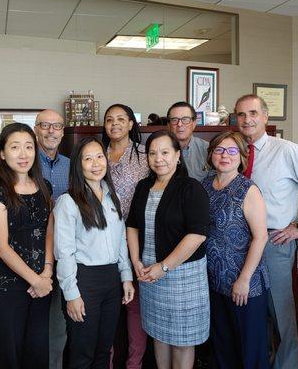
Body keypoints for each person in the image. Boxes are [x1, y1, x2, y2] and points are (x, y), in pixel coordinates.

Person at [235, 94, 298, 369]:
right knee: (252, 313)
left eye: (253, 113)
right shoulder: (234, 150)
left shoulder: (287, 150)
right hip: (238, 244)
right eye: (241, 114)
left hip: (273, 242)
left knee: (280, 312)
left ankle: (287, 365)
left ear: (266, 117)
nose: (247, 119)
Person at [126, 129, 210, 369]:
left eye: (165, 152)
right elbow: (132, 225)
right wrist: (136, 262)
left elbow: (197, 235)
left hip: (183, 276)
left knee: (183, 341)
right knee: (159, 334)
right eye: (152, 153)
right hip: (149, 274)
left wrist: (164, 267)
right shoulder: (143, 187)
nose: (158, 158)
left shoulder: (191, 188)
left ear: (177, 155)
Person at [54, 137, 135, 369]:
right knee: (82, 354)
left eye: (100, 156)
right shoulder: (68, 202)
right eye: (87, 159)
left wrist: (126, 276)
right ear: (78, 166)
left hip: (111, 281)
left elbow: (121, 241)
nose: (96, 163)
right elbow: (64, 252)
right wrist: (71, 294)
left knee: (103, 351)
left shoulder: (112, 196)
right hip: (84, 282)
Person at [0, 122, 54, 368]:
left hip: (42, 283)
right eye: (15, 147)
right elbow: (1, 247)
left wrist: (46, 272)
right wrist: (35, 280)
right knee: (9, 352)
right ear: (2, 154)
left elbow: (49, 231)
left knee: (36, 350)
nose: (23, 154)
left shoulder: (44, 187)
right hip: (9, 286)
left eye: (28, 147)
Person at [201, 131, 270, 369]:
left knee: (250, 350)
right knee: (223, 347)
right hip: (214, 281)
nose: (225, 156)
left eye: (232, 151)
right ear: (211, 155)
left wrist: (244, 279)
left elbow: (261, 237)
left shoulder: (248, 189)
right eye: (219, 150)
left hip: (244, 284)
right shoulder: (204, 185)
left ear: (242, 157)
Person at [102, 104, 149, 369]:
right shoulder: (97, 154)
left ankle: (135, 364)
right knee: (108, 306)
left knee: (135, 307)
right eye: (110, 120)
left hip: (137, 239)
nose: (115, 124)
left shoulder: (144, 155)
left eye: (121, 119)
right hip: (103, 240)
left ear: (132, 123)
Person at [33, 109, 70, 369]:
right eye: (44, 125)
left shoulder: (71, 165)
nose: (50, 131)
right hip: (32, 254)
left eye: (56, 126)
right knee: (33, 323)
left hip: (65, 252)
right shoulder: (24, 162)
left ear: (63, 131)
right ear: (36, 129)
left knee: (58, 322)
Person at [166, 101, 209, 182]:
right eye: (174, 120)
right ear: (168, 125)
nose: (179, 124)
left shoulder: (208, 149)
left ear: (194, 124)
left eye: (185, 119)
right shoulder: (159, 150)